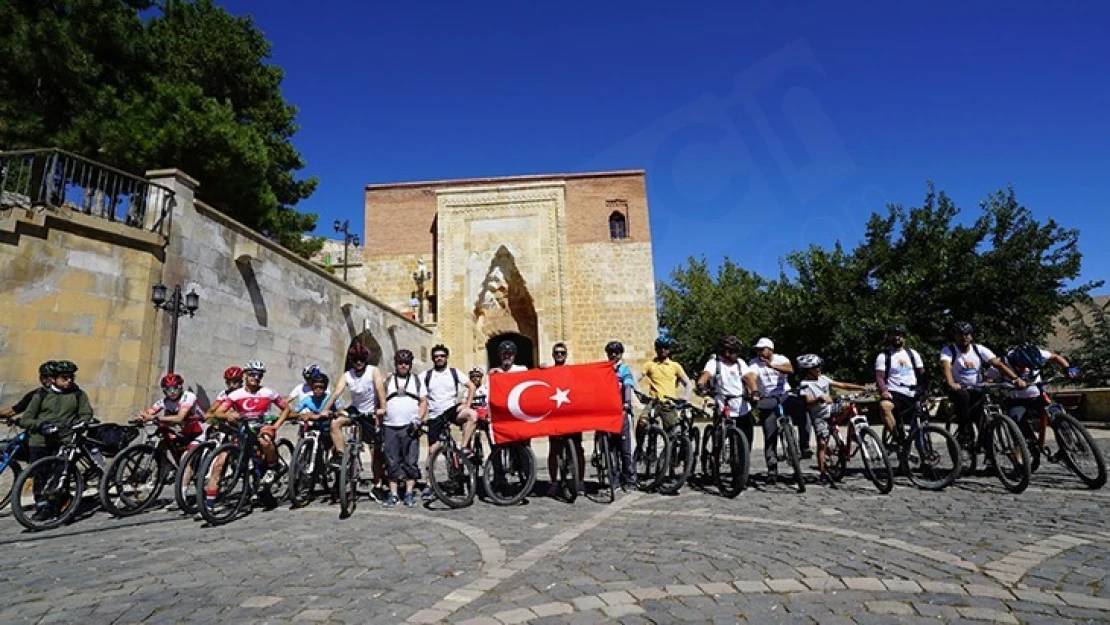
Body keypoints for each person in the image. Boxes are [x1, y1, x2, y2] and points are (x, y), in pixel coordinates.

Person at [17, 360, 95, 520]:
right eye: (64, 378)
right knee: (40, 476)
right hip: (40, 441)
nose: (69, 381)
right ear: (54, 379)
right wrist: (41, 424)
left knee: (61, 474)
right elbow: (26, 419)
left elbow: (86, 413)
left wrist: (82, 422)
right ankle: (41, 507)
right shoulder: (41, 395)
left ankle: (59, 505)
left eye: (71, 377)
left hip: (64, 440)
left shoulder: (78, 395)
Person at [208, 361, 288, 507]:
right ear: (245, 375)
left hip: (262, 427)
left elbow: (286, 409)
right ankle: (208, 504)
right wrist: (228, 416)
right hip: (242, 430)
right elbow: (218, 412)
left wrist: (275, 426)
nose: (255, 377)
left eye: (259, 375)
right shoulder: (236, 395)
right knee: (220, 464)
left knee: (264, 441)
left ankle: (273, 466)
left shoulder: (268, 392)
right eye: (252, 374)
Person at [939, 321, 1025, 449]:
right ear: (955, 336)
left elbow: (997, 364)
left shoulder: (978, 349)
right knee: (963, 398)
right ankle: (964, 430)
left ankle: (990, 458)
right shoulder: (949, 350)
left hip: (977, 387)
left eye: (967, 334)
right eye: (961, 334)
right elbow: (946, 366)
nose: (964, 337)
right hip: (959, 388)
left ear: (971, 336)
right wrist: (951, 383)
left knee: (983, 421)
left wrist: (1015, 378)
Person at [796, 354, 868, 488]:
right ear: (808, 370)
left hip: (831, 409)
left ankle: (852, 431)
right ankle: (822, 473)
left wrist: (861, 388)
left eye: (819, 366)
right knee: (822, 443)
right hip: (819, 415)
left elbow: (842, 385)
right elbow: (807, 401)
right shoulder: (804, 384)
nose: (818, 369)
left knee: (849, 406)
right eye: (815, 367)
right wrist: (820, 398)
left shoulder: (823, 378)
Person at [421, 344, 478, 501]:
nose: (439, 358)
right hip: (435, 416)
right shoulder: (426, 375)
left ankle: (464, 448)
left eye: (442, 356)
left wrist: (467, 404)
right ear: (433, 358)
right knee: (432, 452)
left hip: (452, 410)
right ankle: (428, 485)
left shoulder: (454, 373)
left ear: (446, 357)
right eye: (436, 356)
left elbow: (471, 386)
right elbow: (417, 392)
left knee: (472, 415)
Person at [322, 344, 387, 476]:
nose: (358, 362)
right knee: (335, 423)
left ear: (365, 360)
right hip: (355, 410)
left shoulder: (373, 371)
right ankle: (340, 455)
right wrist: (325, 409)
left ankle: (378, 484)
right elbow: (336, 392)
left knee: (375, 453)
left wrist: (383, 408)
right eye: (356, 359)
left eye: (361, 359)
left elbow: (380, 390)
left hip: (370, 412)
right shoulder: (347, 375)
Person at [749, 337, 808, 483]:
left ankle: (804, 446)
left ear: (770, 349)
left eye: (762, 349)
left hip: (784, 395)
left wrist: (773, 366)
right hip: (767, 398)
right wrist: (754, 391)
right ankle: (772, 468)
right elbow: (752, 376)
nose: (759, 353)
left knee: (803, 413)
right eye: (757, 350)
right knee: (770, 434)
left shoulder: (781, 359)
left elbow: (790, 369)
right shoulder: (754, 363)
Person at [695, 335, 760, 458]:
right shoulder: (715, 363)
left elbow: (748, 378)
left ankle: (741, 467)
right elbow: (706, 374)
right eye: (735, 351)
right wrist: (701, 384)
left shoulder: (740, 363)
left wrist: (755, 391)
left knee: (746, 440)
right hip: (723, 405)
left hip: (741, 405)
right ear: (727, 351)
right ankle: (715, 461)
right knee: (718, 439)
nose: (737, 354)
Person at [380, 349, 427, 508]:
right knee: (391, 461)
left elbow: (423, 402)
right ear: (396, 364)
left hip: (410, 425)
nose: (403, 366)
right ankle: (393, 494)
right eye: (400, 363)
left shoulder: (417, 381)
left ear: (410, 365)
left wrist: (419, 418)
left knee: (411, 460)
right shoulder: (387, 381)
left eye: (406, 363)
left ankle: (408, 493)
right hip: (390, 425)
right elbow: (379, 400)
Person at [1002, 343, 1078, 428]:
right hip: (1017, 399)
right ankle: (1028, 440)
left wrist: (1068, 368)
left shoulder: (1036, 353)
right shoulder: (1004, 362)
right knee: (1017, 422)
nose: (1026, 369)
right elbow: (989, 378)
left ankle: (1067, 436)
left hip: (1038, 395)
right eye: (1023, 366)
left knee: (1056, 416)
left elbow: (1055, 357)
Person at [545, 342, 585, 496]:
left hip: (571, 414)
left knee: (578, 448)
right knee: (553, 449)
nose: (559, 355)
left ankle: (580, 481)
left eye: (562, 353)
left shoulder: (572, 372)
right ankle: (554, 482)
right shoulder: (548, 372)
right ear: (553, 355)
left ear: (566, 355)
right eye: (557, 353)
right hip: (554, 415)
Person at [875, 325, 926, 442]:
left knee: (920, 423)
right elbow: (880, 376)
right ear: (889, 337)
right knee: (884, 406)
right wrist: (884, 391)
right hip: (894, 393)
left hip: (913, 393)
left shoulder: (912, 354)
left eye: (900, 335)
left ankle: (924, 452)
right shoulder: (884, 356)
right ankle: (897, 437)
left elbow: (922, 374)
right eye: (893, 335)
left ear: (904, 338)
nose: (897, 337)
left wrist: (924, 390)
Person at [139, 373, 206, 449]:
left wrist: (154, 417)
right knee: (162, 444)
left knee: (187, 456)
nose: (172, 392)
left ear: (180, 387)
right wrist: (141, 417)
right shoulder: (164, 402)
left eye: (175, 388)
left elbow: (179, 418)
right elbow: (149, 412)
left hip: (199, 431)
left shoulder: (188, 396)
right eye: (168, 389)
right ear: (164, 391)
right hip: (184, 431)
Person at [606, 341, 638, 491]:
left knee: (625, 448)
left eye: (616, 352)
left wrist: (626, 404)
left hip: (621, 411)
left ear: (620, 354)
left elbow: (627, 386)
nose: (613, 355)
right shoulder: (604, 370)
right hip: (607, 414)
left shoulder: (624, 369)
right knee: (611, 448)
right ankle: (615, 478)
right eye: (611, 352)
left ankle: (630, 478)